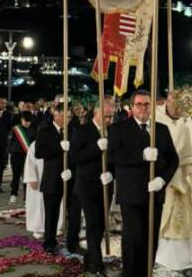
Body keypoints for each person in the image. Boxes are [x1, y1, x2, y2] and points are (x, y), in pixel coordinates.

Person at [108, 89, 179, 277]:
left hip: (155, 193)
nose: (143, 108)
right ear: (132, 106)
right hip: (131, 193)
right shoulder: (118, 128)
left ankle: (146, 273)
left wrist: (162, 179)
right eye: (139, 104)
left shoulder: (161, 129)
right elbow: (113, 156)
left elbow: (174, 160)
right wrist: (140, 155)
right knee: (133, 238)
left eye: (147, 104)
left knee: (150, 237)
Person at [154, 89, 192, 272]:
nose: (177, 110)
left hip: (185, 177)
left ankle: (187, 260)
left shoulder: (187, 120)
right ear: (167, 101)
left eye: (180, 107)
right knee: (163, 218)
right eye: (174, 105)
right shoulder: (156, 118)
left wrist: (190, 163)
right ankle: (162, 258)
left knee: (186, 220)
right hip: (163, 178)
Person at [70, 96, 115, 274]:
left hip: (106, 184)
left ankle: (90, 257)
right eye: (105, 117)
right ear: (96, 113)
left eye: (111, 117)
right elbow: (75, 158)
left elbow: (116, 157)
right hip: (87, 185)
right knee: (92, 224)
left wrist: (112, 174)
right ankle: (97, 264)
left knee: (102, 225)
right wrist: (96, 148)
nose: (108, 120)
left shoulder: (113, 131)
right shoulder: (82, 131)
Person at [35, 103, 82, 255]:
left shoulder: (74, 131)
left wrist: (72, 168)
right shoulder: (45, 131)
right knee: (52, 213)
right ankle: (49, 242)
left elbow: (78, 153)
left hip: (71, 178)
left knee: (74, 212)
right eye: (65, 116)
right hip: (52, 178)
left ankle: (73, 243)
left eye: (70, 116)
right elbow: (39, 152)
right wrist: (58, 147)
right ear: (56, 115)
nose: (68, 119)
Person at [24, 140, 63, 239]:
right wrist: (31, 178)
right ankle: (37, 228)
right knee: (37, 204)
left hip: (54, 177)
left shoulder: (59, 142)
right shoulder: (35, 144)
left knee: (55, 204)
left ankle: (57, 227)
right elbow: (30, 162)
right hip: (38, 179)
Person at [8, 111, 37, 204]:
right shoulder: (16, 129)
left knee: (26, 177)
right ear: (21, 120)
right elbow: (10, 142)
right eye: (25, 121)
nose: (27, 123)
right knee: (15, 176)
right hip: (15, 156)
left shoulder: (34, 130)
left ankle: (26, 197)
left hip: (27, 156)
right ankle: (13, 194)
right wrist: (9, 152)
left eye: (29, 121)